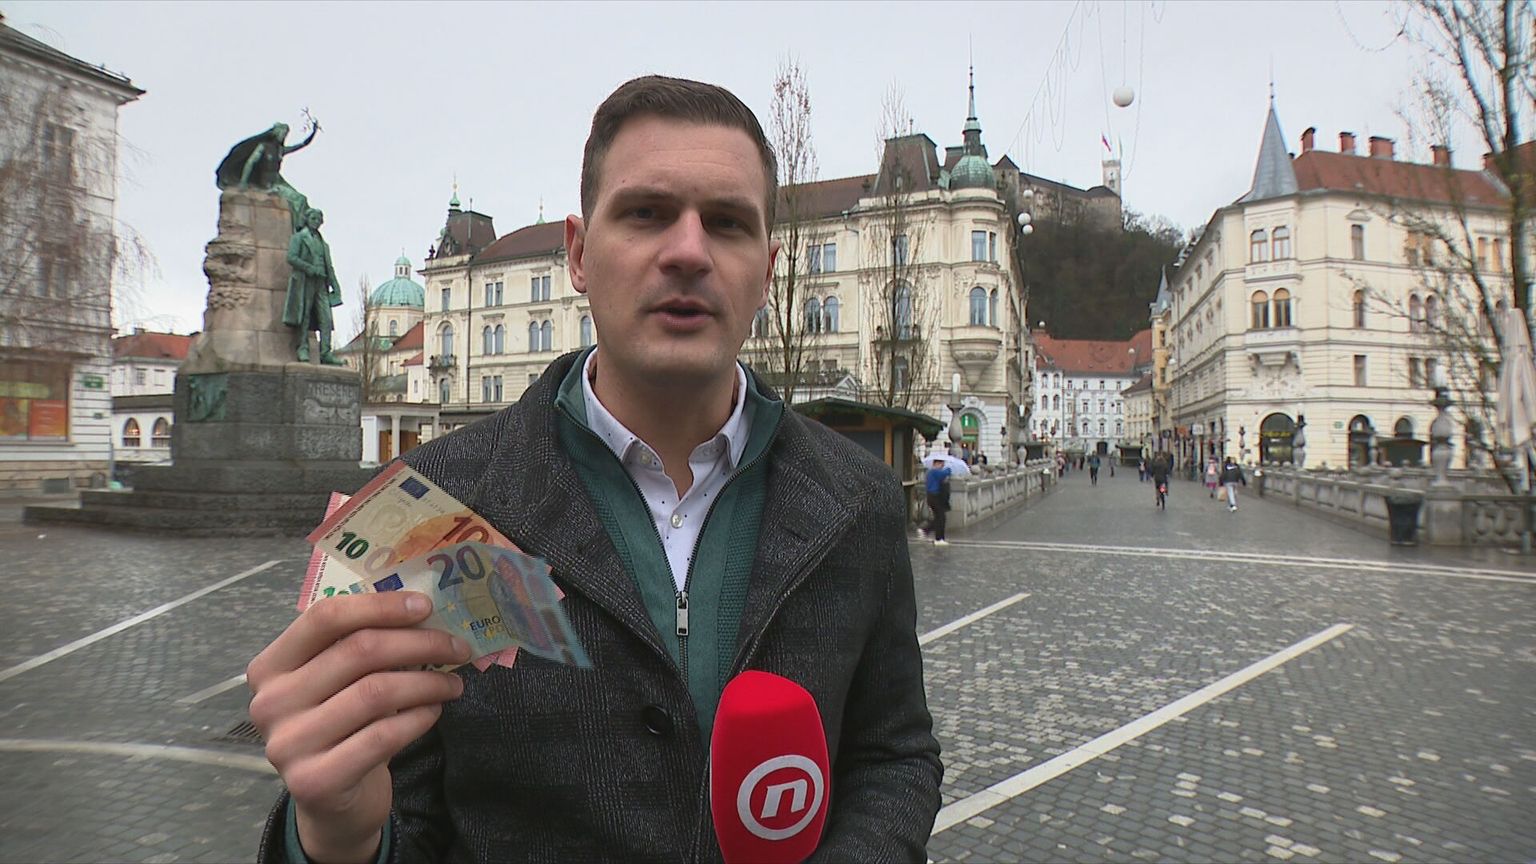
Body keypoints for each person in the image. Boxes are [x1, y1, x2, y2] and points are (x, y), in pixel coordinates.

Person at [247, 76, 942, 863]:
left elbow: (893, 756)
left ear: (768, 271)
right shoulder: (427, 507)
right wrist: (335, 839)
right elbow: (404, 820)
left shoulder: (858, 498)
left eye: (727, 223)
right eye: (646, 213)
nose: (688, 251)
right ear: (578, 254)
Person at [282, 207, 344, 365]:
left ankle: (325, 352)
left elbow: (329, 267)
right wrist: (309, 268)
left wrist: (335, 286)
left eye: (318, 220)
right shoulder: (299, 237)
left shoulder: (324, 244)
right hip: (305, 281)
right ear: (307, 220)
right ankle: (302, 347)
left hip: (321, 283)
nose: (316, 222)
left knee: (326, 318)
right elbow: (291, 257)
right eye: (313, 219)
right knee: (304, 314)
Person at [925, 455, 953, 546]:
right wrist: (949, 468)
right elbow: (945, 473)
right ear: (936, 463)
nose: (942, 466)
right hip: (934, 496)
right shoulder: (934, 471)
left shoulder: (930, 472)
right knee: (940, 517)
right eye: (941, 464)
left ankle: (937, 536)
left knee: (939, 517)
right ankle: (938, 538)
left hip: (932, 496)